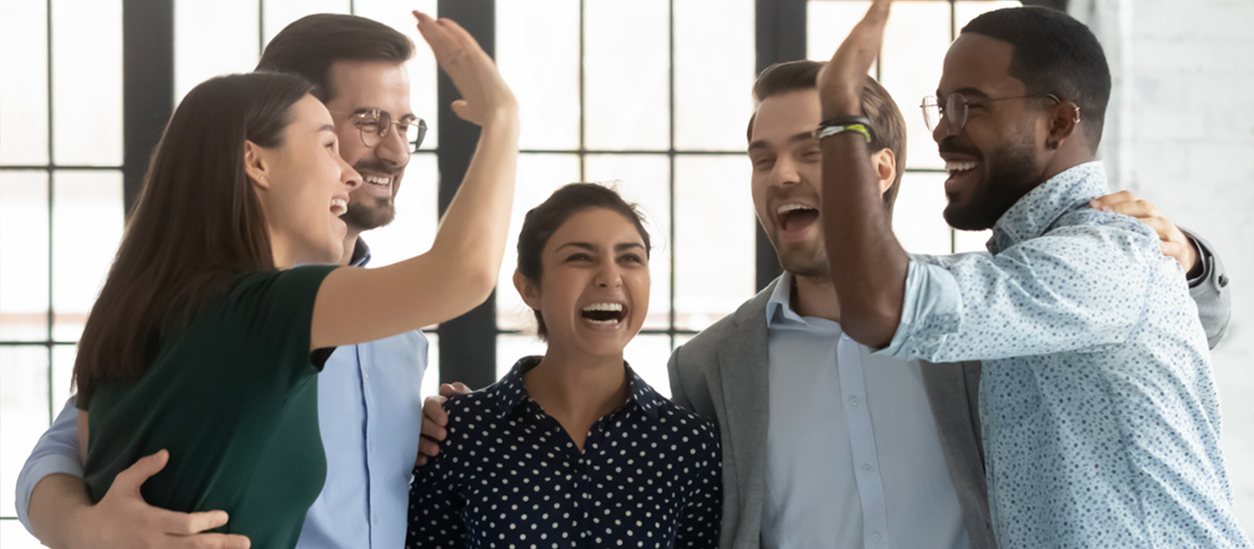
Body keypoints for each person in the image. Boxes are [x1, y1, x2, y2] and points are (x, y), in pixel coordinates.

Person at [418, 61, 1232, 549]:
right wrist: (469, 412)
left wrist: (1187, 257)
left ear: (874, 170)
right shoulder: (708, 366)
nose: (781, 176)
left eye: (812, 151)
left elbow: (1177, 330)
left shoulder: (982, 311)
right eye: (762, 156)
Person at [19, 12, 517, 549]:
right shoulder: (253, 310)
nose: (394, 152)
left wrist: (411, 436)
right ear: (261, 148)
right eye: (368, 122)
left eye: (405, 126)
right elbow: (62, 455)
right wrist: (87, 529)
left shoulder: (400, 333)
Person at [816, 2, 1248, 547]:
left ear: (1060, 122)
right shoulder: (1033, 265)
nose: (942, 132)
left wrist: (841, 118)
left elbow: (883, 305)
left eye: (968, 106)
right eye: (942, 107)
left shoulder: (1102, 255)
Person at [406, 183, 721, 549]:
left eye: (630, 258)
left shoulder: (690, 446)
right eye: (581, 258)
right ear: (529, 288)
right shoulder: (458, 432)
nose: (610, 276)